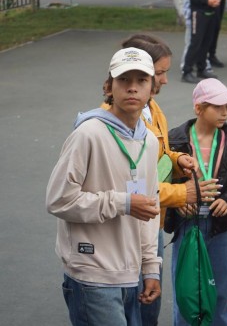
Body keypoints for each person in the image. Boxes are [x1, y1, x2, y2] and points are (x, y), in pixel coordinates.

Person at [100, 34, 218, 326]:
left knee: (148, 303)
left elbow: (158, 157)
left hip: (152, 220)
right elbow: (130, 186)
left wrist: (177, 160)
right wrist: (183, 194)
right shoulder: (114, 124)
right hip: (129, 226)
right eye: (161, 73)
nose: (165, 80)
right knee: (132, 307)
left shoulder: (152, 108)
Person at [46, 47, 162, 326]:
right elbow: (58, 199)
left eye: (141, 81)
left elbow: (149, 209)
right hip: (91, 275)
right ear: (108, 87)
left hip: (130, 274)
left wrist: (150, 267)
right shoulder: (88, 133)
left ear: (152, 90)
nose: (132, 88)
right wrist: (122, 203)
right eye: (124, 80)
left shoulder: (149, 141)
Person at [168, 78, 227, 326]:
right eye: (217, 106)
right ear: (199, 108)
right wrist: (178, 199)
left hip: (219, 227)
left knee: (220, 289)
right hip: (186, 225)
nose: (225, 112)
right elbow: (161, 179)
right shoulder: (175, 141)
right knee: (186, 288)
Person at [181, 0, 221, 83]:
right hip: (198, 12)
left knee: (207, 42)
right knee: (196, 42)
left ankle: (202, 69)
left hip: (212, 11)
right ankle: (187, 71)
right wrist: (206, 0)